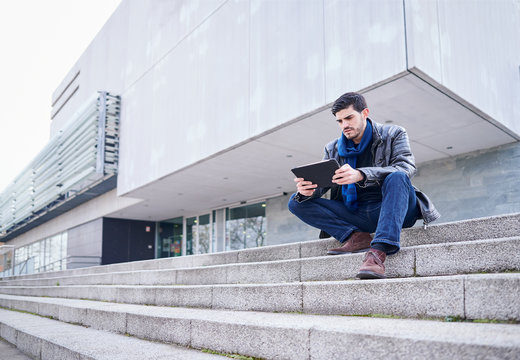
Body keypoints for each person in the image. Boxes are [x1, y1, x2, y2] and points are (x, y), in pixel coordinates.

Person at [288, 92, 440, 279]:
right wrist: (307, 190)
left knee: (398, 177)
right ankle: (356, 237)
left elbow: (406, 168)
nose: (345, 125)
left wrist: (361, 174)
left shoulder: (394, 133)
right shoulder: (332, 148)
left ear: (365, 113)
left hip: (395, 208)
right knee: (296, 202)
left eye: (349, 118)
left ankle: (377, 252)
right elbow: (323, 186)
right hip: (356, 213)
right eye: (340, 121)